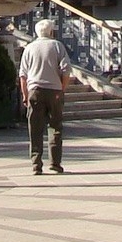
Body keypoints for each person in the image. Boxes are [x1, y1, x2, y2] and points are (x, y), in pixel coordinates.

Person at [17, 19, 72, 175]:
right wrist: (62, 89)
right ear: (51, 32)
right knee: (55, 127)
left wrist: (25, 95)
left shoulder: (29, 48)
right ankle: (55, 162)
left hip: (35, 90)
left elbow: (23, 75)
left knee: (35, 128)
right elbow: (66, 70)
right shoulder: (57, 46)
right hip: (54, 90)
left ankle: (36, 164)